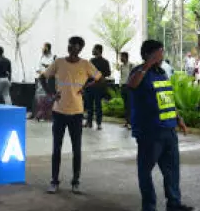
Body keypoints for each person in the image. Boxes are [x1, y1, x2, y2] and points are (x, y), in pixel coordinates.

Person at [128, 40, 194, 211]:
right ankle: (149, 206)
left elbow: (167, 98)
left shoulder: (162, 73)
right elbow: (132, 84)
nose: (162, 56)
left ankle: (174, 204)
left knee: (172, 170)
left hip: (168, 130)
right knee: (145, 171)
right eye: (159, 53)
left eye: (162, 52)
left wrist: (178, 118)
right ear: (147, 54)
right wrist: (148, 63)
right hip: (149, 132)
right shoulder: (138, 72)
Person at [40, 36, 101, 195]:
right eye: (69, 45)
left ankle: (75, 182)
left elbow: (99, 78)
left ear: (80, 49)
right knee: (56, 148)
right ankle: (54, 181)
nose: (71, 47)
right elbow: (42, 77)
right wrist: (51, 94)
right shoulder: (59, 62)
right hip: (59, 111)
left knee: (77, 149)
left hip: (76, 113)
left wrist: (86, 87)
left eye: (74, 46)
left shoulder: (85, 64)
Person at [85, 44, 112, 130]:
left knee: (97, 106)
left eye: (94, 49)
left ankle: (98, 123)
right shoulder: (91, 60)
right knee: (90, 105)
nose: (92, 50)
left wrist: (98, 77)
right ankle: (90, 122)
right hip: (90, 86)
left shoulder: (104, 62)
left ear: (98, 50)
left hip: (98, 86)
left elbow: (108, 73)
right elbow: (87, 72)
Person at [116, 51, 135, 128]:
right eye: (120, 57)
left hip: (129, 87)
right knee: (126, 106)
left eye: (121, 57)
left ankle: (131, 123)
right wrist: (120, 85)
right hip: (123, 87)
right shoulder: (121, 66)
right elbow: (121, 76)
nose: (120, 58)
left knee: (130, 105)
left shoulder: (131, 65)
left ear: (126, 57)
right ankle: (127, 122)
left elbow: (134, 76)